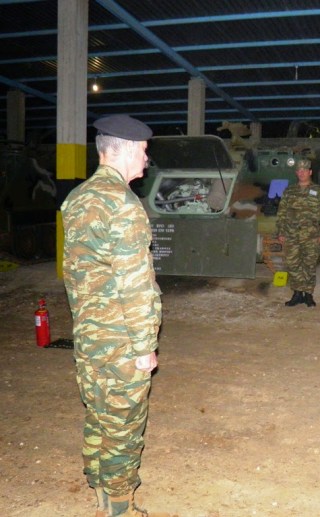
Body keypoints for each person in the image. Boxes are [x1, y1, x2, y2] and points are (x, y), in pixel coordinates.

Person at [61, 115, 164, 517]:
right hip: (121, 337)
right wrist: (144, 346)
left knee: (99, 414)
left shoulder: (78, 197)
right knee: (123, 425)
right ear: (125, 149)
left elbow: (75, 271)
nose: (146, 158)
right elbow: (134, 283)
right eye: (144, 150)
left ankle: (99, 490)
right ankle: (120, 506)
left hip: (89, 333)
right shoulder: (123, 204)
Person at [276, 158, 320, 307]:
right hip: (291, 234)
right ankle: (297, 293)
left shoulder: (319, 191)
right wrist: (281, 231)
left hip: (311, 235)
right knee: (293, 264)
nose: (301, 173)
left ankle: (308, 294)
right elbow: (281, 213)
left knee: (309, 265)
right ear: (296, 172)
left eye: (304, 170)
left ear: (310, 172)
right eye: (299, 170)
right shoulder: (289, 191)